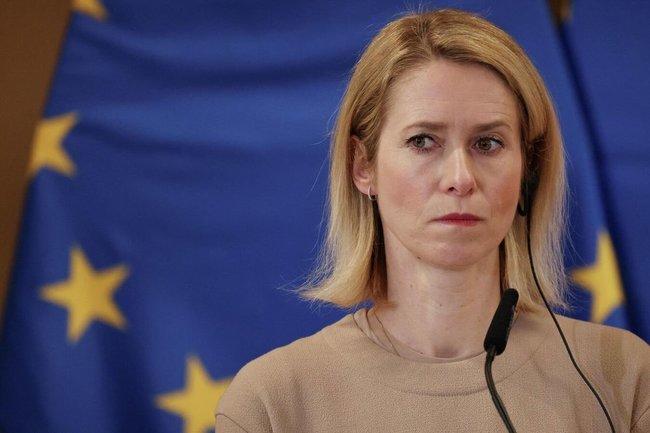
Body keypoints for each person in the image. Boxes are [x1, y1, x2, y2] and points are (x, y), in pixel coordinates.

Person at [215, 9, 649, 432]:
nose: (460, 178)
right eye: (423, 141)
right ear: (362, 165)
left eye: (488, 143)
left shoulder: (625, 377)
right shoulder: (272, 404)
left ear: (528, 172)